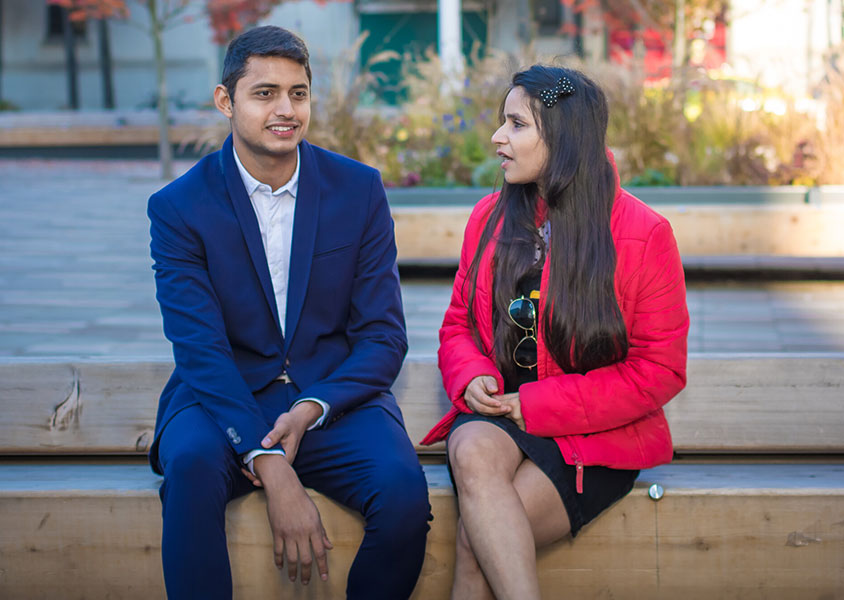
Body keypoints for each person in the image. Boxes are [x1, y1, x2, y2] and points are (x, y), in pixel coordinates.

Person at [147, 25, 430, 600]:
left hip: (330, 400)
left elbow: (382, 335)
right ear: (226, 101)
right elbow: (200, 350)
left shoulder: (358, 190)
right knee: (192, 471)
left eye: (298, 93)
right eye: (265, 93)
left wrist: (310, 408)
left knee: (403, 491)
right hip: (222, 398)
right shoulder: (178, 208)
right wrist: (270, 465)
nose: (285, 109)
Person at [421, 65, 689, 599]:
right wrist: (473, 374)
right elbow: (457, 325)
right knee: (470, 448)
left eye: (517, 125)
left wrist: (538, 404)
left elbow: (658, 371)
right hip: (501, 420)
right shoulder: (489, 218)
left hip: (594, 438)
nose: (498, 137)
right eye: (503, 122)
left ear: (563, 139)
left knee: (481, 541)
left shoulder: (643, 233)